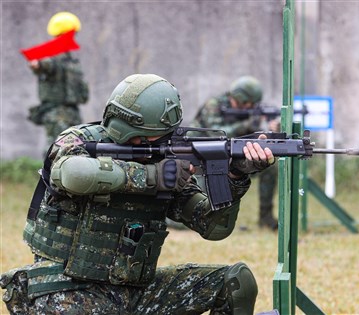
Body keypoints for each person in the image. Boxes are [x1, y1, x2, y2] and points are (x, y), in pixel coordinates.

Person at [0, 74, 276, 315]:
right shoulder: (79, 141)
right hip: (67, 290)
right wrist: (152, 177)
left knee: (234, 281)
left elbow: (214, 227)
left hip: (133, 291)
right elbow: (73, 174)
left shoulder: (169, 158)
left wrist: (235, 176)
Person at [191, 76, 279, 230]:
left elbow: (251, 139)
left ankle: (265, 218)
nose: (245, 108)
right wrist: (248, 124)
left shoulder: (250, 113)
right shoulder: (213, 105)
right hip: (199, 158)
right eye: (243, 104)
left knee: (270, 167)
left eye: (250, 106)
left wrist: (269, 130)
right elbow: (217, 135)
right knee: (195, 208)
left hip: (230, 159)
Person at [27, 11, 89, 148]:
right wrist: (37, 64)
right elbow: (43, 64)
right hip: (57, 115)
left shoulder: (70, 59)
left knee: (75, 151)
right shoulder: (51, 54)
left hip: (72, 114)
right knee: (55, 151)